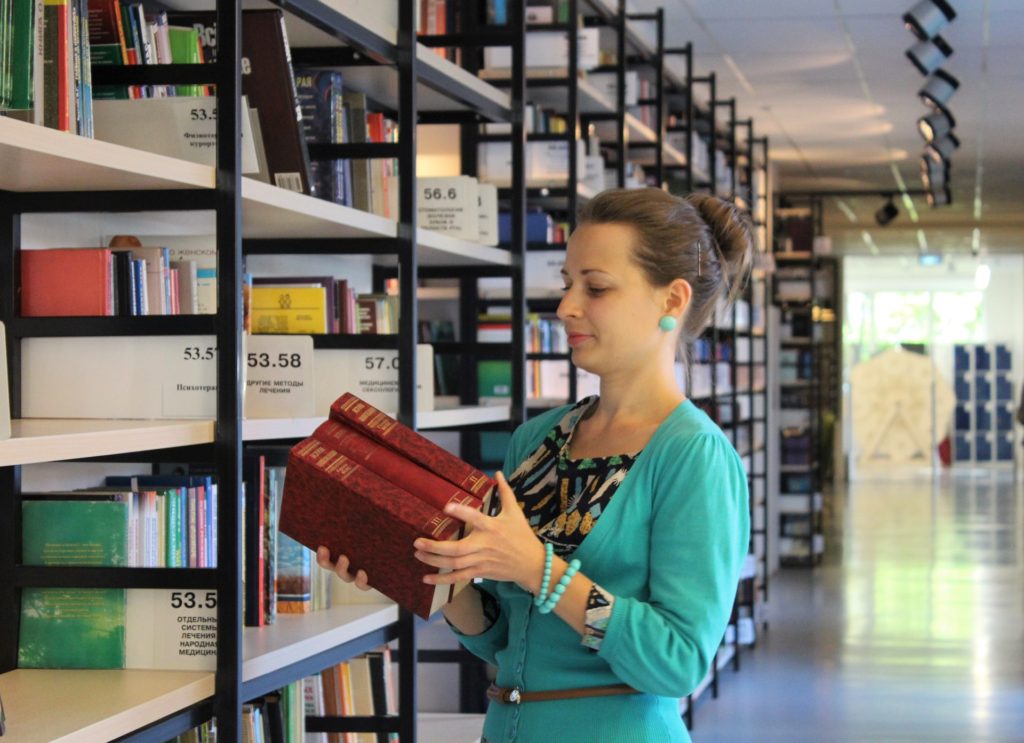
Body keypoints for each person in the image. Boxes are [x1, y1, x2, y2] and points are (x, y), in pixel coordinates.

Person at [317, 187, 753, 742]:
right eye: (568, 284)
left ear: (671, 301)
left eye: (595, 288)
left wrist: (537, 569)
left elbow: (677, 662)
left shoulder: (693, 456)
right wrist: (424, 568)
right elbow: (500, 638)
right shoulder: (537, 441)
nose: (566, 307)